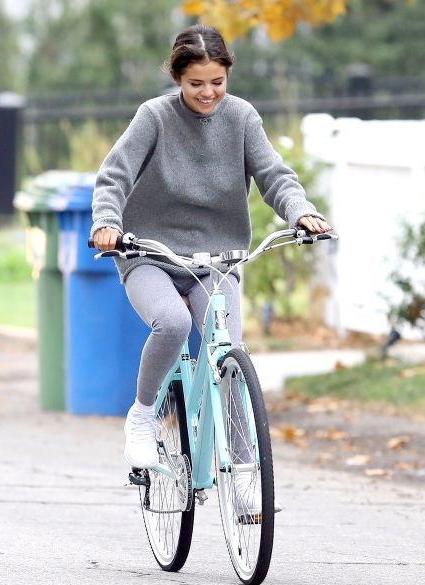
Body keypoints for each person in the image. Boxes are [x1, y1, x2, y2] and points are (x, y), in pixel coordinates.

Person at [90, 25, 332, 507]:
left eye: (217, 82)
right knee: (174, 322)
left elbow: (274, 176)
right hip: (150, 255)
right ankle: (141, 417)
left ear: (227, 76)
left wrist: (300, 210)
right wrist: (106, 222)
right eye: (197, 83)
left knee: (229, 359)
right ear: (178, 78)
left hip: (217, 260)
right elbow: (113, 177)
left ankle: (243, 477)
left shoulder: (241, 118)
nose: (208, 93)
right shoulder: (154, 117)